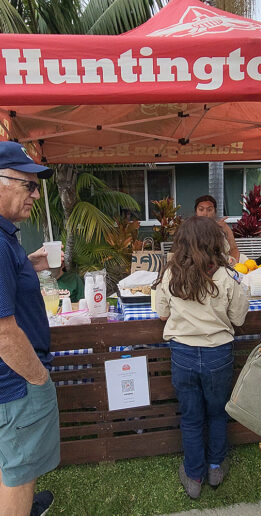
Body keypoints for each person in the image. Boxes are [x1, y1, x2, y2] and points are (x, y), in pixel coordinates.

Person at [155, 216, 248, 499]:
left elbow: (161, 313)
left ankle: (194, 475)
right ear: (214, 242)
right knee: (218, 413)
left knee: (192, 417)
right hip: (218, 353)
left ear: (181, 242)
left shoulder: (170, 274)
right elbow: (239, 318)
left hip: (182, 353)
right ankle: (216, 467)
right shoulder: (228, 276)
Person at [0, 141, 60, 516]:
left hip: (12, 381)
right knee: (20, 469)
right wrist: (38, 378)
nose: (36, 195)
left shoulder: (8, 239)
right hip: (17, 381)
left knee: (14, 458)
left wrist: (28, 263)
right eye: (29, 185)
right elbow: (3, 334)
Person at [194, 195, 240, 263]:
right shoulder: (189, 228)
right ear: (196, 212)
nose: (205, 213)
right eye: (201, 209)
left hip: (222, 265)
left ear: (215, 212)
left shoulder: (222, 226)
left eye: (209, 210)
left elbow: (234, 249)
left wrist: (234, 267)